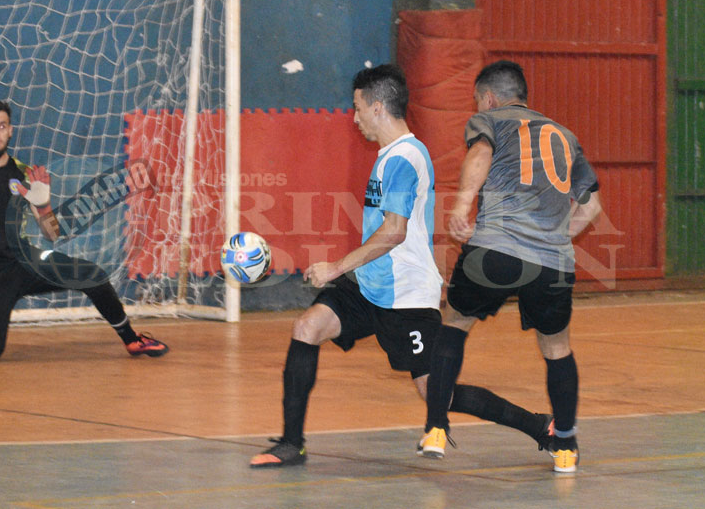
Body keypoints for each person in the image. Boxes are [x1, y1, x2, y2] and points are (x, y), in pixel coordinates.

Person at [249, 64, 553, 469]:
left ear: (377, 107)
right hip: (370, 284)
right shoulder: (389, 156)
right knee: (307, 327)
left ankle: (540, 426)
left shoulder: (405, 158)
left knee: (438, 394)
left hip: (406, 296)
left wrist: (335, 268)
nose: (354, 118)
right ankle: (291, 443)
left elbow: (394, 232)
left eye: (358, 108)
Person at [417, 60, 602, 473]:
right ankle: (566, 447)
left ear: (489, 98)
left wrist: (461, 206)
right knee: (557, 348)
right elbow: (591, 207)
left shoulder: (490, 120)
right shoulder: (566, 137)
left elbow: (481, 153)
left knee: (454, 324)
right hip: (552, 264)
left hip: (495, 250)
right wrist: (554, 238)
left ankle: (436, 427)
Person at [0, 99, 168, 362]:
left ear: (10, 130)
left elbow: (51, 234)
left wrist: (43, 205)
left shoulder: (24, 173)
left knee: (92, 275)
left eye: (1, 126)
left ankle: (132, 339)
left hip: (24, 260)